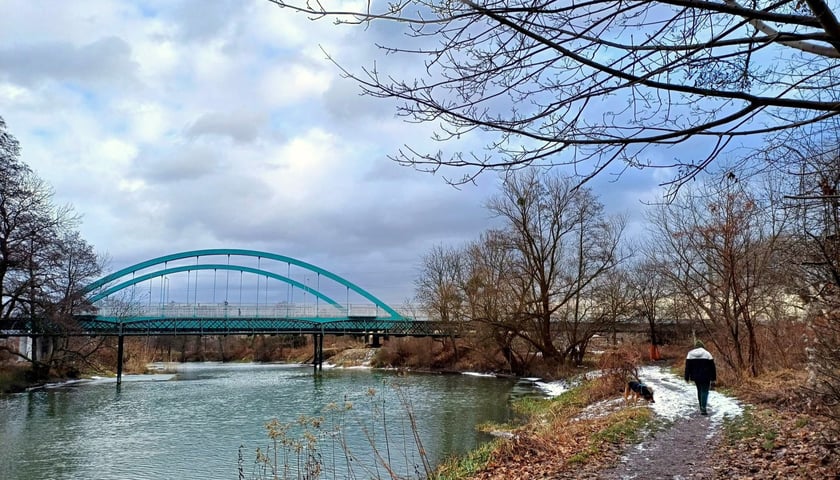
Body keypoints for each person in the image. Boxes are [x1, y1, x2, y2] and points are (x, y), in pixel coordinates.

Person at [685, 339, 717, 415]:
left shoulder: (690, 354)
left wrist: (687, 377)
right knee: (705, 391)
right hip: (706, 376)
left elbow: (687, 367)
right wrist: (713, 378)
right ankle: (703, 408)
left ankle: (701, 407)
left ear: (695, 347)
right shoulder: (707, 354)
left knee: (699, 390)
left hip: (695, 376)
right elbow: (712, 367)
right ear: (703, 346)